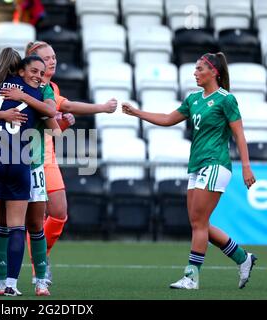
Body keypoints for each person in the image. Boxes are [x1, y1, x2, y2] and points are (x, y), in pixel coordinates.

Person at [122, 52, 257, 290]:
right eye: (195, 69)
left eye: (199, 69)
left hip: (215, 163)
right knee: (198, 223)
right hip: (197, 165)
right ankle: (242, 258)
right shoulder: (194, 99)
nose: (195, 73)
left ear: (213, 72)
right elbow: (167, 119)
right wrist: (137, 113)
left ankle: (191, 277)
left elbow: (239, 135)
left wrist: (246, 167)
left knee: (199, 223)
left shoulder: (226, 99)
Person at [19, 41, 117, 285]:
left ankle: (39, 259)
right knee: (27, 218)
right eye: (46, 57)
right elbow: (67, 108)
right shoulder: (23, 85)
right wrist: (103, 108)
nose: (52, 61)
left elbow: (53, 126)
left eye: (53, 56)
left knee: (59, 213)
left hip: (47, 157)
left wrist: (61, 123)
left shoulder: (51, 87)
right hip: (22, 156)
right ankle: (30, 270)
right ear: (34, 62)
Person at [0, 48, 56, 296]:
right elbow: (52, 116)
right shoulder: (36, 91)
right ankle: (11, 285)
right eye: (35, 71)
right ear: (21, 69)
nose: (39, 76)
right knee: (18, 228)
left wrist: (1, 113)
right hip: (19, 161)